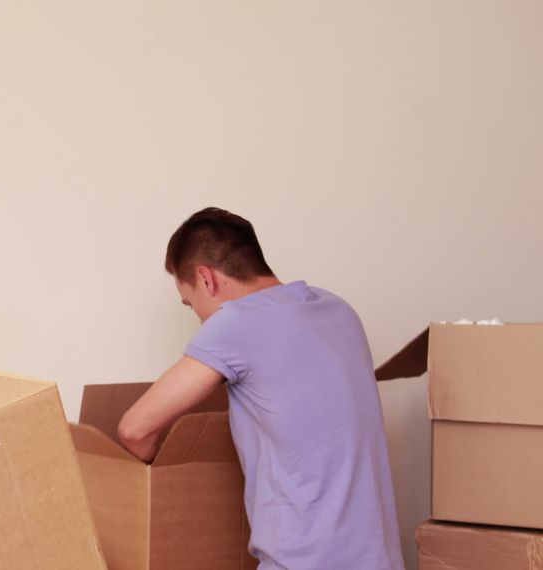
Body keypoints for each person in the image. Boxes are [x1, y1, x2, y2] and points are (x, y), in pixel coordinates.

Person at [118, 207, 404, 569]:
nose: (200, 317)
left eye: (191, 304)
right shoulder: (339, 310)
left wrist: (155, 468)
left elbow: (134, 429)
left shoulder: (235, 323)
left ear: (206, 279)